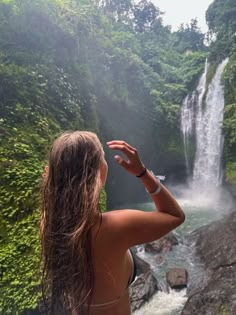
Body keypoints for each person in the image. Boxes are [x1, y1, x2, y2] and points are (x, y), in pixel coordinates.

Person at [40, 130, 185, 315]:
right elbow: (175, 215)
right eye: (103, 156)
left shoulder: (48, 223)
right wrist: (142, 173)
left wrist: (54, 181)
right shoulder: (117, 226)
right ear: (100, 171)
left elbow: (57, 201)